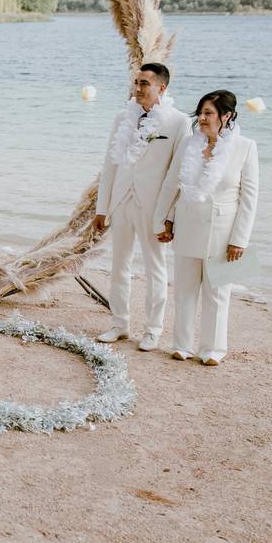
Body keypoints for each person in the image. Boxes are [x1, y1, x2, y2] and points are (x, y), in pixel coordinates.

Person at [154, 90, 259, 366]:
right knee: (185, 290)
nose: (201, 118)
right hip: (188, 223)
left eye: (208, 113)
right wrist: (164, 219)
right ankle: (181, 345)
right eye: (200, 112)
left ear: (227, 116)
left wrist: (240, 239)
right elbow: (172, 186)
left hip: (223, 231)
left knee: (218, 293)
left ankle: (213, 349)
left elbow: (249, 198)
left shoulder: (245, 147)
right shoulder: (189, 143)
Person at [93, 63, 190, 351]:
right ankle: (119, 324)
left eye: (144, 83)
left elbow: (178, 174)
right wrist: (103, 207)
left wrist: (169, 217)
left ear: (162, 87)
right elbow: (110, 165)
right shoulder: (123, 117)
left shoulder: (178, 122)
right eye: (136, 82)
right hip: (121, 200)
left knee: (155, 269)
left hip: (153, 207)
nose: (138, 89)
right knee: (118, 265)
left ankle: (152, 330)